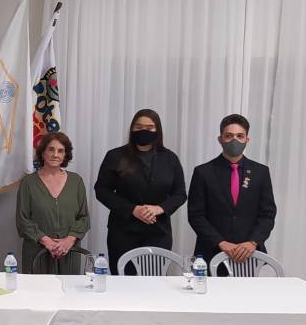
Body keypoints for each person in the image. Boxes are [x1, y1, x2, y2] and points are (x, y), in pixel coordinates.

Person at [94, 109, 186, 275]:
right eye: (139, 127)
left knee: (154, 283)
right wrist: (132, 209)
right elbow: (101, 190)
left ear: (157, 130)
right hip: (123, 232)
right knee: (124, 283)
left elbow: (180, 194)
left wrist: (159, 208)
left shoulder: (170, 158)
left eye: (149, 128)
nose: (144, 131)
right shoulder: (116, 155)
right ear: (132, 129)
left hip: (159, 232)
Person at [187, 114, 277, 270]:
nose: (234, 140)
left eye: (240, 136)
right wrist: (221, 242)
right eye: (228, 136)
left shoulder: (261, 172)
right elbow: (196, 215)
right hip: (211, 252)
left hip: (249, 254)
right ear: (220, 139)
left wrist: (252, 242)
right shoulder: (203, 172)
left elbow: (267, 214)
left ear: (247, 139)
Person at [16, 132, 90, 274]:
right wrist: (47, 242)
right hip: (37, 253)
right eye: (51, 149)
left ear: (65, 155)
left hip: (68, 252)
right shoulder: (28, 183)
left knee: (70, 288)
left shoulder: (76, 181)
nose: (55, 155)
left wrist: (68, 241)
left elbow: (84, 218)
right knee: (37, 288)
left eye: (60, 151)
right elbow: (22, 220)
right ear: (42, 153)